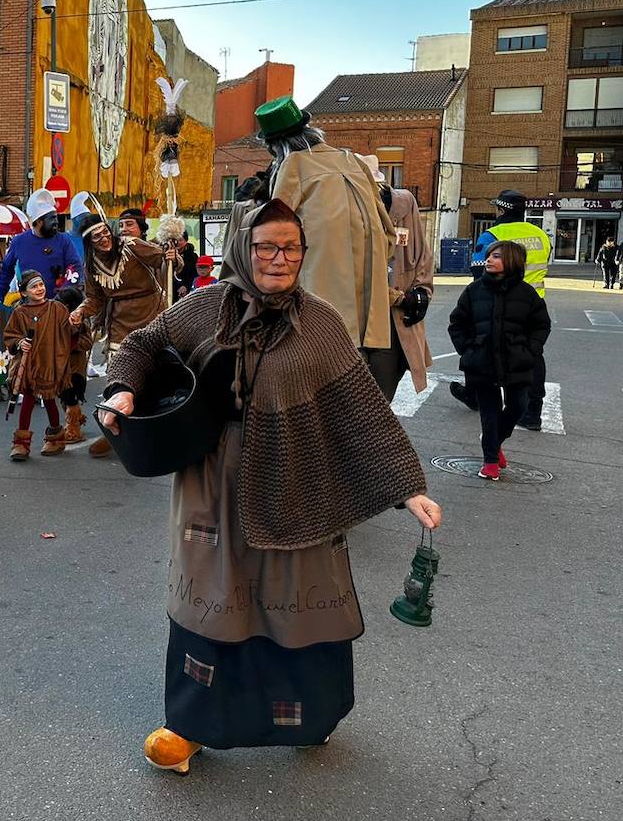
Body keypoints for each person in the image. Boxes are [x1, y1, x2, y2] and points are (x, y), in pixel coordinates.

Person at [97, 198, 441, 773]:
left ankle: (310, 715)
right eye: (265, 247)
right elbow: (141, 345)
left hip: (296, 479)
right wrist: (123, 388)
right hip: (212, 481)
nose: (279, 259)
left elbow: (359, 406)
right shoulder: (205, 308)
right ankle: (190, 726)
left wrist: (407, 486)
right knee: (211, 598)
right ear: (242, 248)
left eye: (290, 248)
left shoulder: (322, 323)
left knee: (295, 598)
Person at [243, 96, 395, 355]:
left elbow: (274, 233)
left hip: (318, 304)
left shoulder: (294, 165)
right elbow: (388, 234)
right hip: (369, 315)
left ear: (276, 147)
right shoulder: (353, 161)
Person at [447, 240, 551, 480]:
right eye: (489, 256)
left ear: (511, 261)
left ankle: (494, 441)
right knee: (489, 411)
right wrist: (468, 349)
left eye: (496, 256)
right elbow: (457, 323)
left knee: (518, 406)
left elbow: (541, 325)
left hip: (517, 361)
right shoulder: (474, 291)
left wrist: (530, 350)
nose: (489, 260)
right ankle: (490, 461)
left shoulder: (527, 294)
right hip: (481, 361)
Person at [451, 189, 551, 429]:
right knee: (532, 357)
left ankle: (473, 396)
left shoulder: (492, 234)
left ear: (502, 210)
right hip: (532, 302)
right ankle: (532, 414)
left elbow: (478, 270)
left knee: (481, 347)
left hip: (496, 302)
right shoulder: (540, 234)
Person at [74, 213, 166, 458]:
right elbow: (95, 298)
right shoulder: (91, 264)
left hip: (150, 313)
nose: (104, 238)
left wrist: (170, 255)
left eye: (105, 232)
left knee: (154, 376)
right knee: (117, 378)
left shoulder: (131, 245)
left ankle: (154, 430)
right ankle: (116, 432)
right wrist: (80, 311)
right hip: (119, 320)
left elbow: (162, 260)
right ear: (89, 242)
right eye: (97, 236)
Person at [358, 157, 435, 402]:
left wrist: (422, 292)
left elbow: (421, 253)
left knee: (378, 397)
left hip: (391, 323)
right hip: (362, 320)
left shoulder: (403, 203)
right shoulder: (348, 213)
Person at [3, 271, 76, 459]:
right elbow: (10, 335)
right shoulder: (19, 312)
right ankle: (21, 444)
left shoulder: (57, 308)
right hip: (28, 366)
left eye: (41, 284)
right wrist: (20, 343)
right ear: (24, 292)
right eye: (34, 286)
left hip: (51, 362)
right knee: (28, 399)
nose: (39, 289)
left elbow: (70, 331)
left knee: (50, 398)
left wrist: (76, 323)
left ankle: (55, 438)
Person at [0, 188, 83, 301]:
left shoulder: (63, 240)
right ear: (38, 222)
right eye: (52, 218)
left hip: (59, 306)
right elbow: (6, 270)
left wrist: (63, 295)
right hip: (29, 306)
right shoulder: (18, 242)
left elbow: (75, 266)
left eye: (56, 218)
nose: (56, 222)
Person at [55, 284, 94, 444]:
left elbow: (87, 343)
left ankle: (74, 429)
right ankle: (74, 420)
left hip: (74, 370)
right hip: (59, 368)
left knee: (71, 399)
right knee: (64, 398)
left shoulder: (81, 323)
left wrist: (70, 344)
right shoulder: (57, 320)